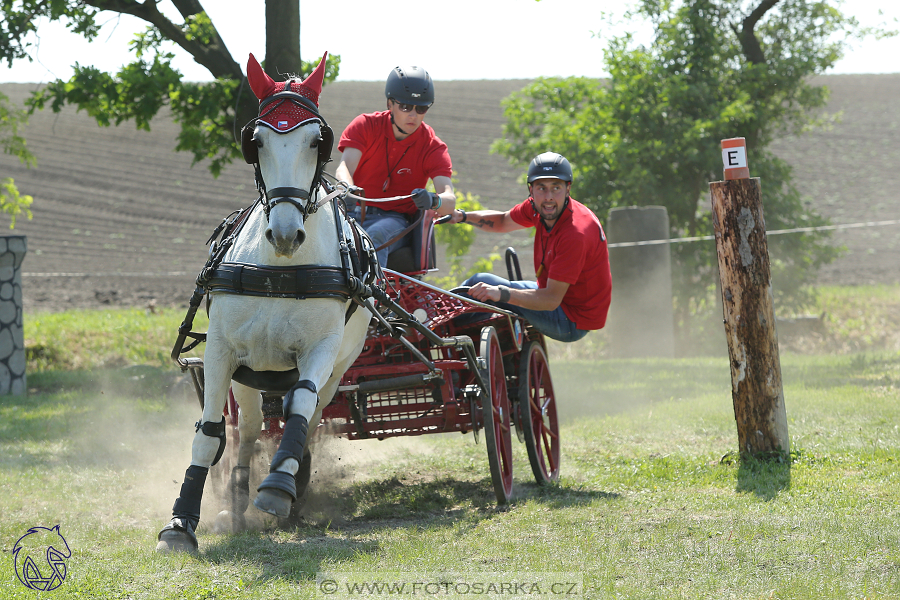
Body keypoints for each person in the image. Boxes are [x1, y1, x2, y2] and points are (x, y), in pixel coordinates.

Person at [446, 152, 612, 343]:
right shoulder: (536, 207)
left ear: (568, 189)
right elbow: (502, 221)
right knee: (478, 283)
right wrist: (463, 216)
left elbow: (550, 300)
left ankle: (441, 336)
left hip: (572, 320)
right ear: (531, 190)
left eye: (556, 188)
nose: (548, 197)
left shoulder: (575, 233)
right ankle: (439, 329)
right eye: (541, 188)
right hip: (554, 297)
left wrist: (500, 293)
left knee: (489, 293)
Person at [336, 65, 456, 267]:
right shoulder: (364, 125)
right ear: (390, 104)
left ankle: (370, 297)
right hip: (354, 211)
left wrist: (433, 199)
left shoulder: (432, 147)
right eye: (406, 107)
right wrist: (347, 188)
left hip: (396, 220)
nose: (413, 115)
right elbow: (344, 168)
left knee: (372, 237)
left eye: (421, 108)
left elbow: (449, 201)